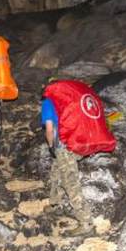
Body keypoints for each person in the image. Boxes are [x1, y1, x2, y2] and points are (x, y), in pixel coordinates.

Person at [41, 87, 95, 235]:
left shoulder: (48, 103)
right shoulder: (71, 100)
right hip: (78, 144)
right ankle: (55, 203)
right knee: (56, 172)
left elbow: (49, 129)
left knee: (70, 183)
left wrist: (52, 146)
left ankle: (86, 222)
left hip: (65, 148)